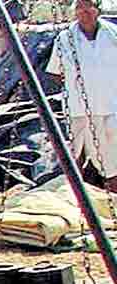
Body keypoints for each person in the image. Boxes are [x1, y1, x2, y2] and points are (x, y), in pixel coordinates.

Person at [47, 0, 117, 192]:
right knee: (74, 154)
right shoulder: (65, 38)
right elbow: (55, 72)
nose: (85, 11)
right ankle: (73, 195)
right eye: (80, 7)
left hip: (109, 106)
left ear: (97, 10)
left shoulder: (112, 34)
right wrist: (77, 86)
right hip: (77, 108)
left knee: (112, 159)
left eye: (89, 6)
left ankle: (112, 197)